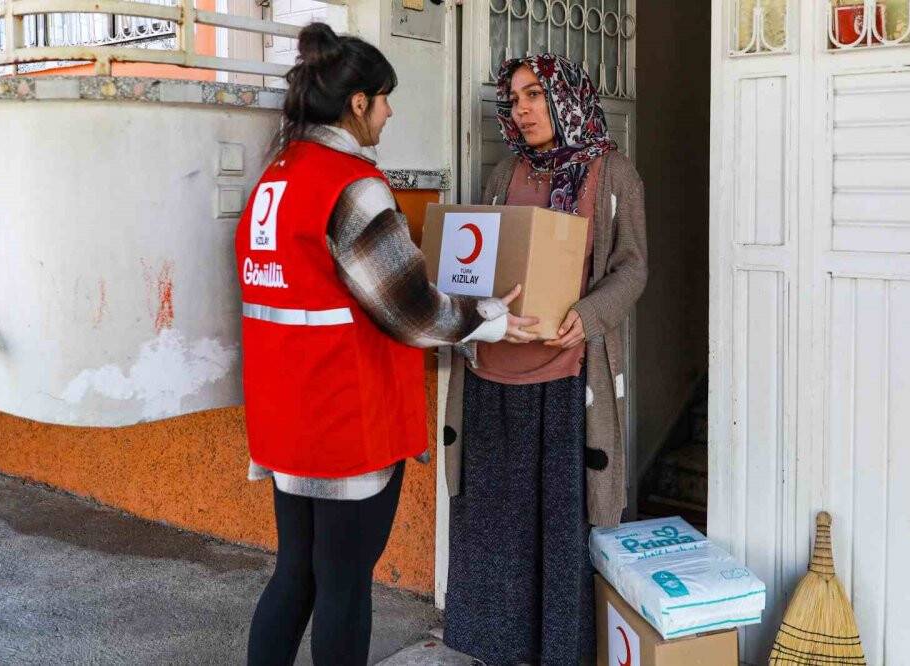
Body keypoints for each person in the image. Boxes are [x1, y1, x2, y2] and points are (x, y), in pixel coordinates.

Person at [236, 23, 537, 666]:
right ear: (357, 104)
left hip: (288, 416)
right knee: (344, 585)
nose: (391, 111)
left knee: (296, 573)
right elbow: (412, 311)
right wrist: (488, 317)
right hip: (346, 419)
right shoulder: (352, 185)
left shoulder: (278, 176)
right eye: (385, 98)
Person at [443, 54, 648, 665]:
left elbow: (633, 267)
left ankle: (555, 652)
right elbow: (478, 262)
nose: (523, 108)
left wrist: (585, 318)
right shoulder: (505, 172)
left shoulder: (612, 173)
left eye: (535, 94)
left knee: (559, 529)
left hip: (564, 383)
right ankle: (495, 648)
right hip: (492, 376)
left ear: (566, 97)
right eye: (514, 99)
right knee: (494, 527)